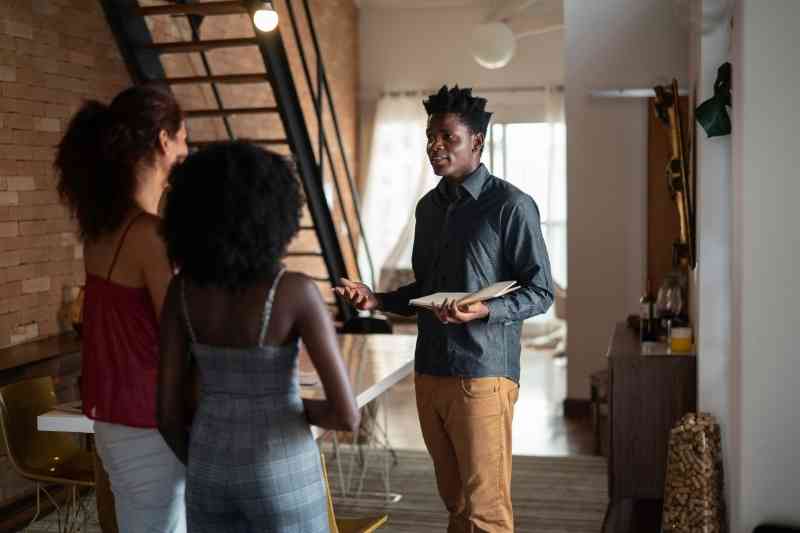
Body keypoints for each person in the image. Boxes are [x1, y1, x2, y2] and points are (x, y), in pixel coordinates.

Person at [336, 85, 554, 533]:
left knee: (486, 511)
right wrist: (376, 298)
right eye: (430, 136)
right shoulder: (428, 208)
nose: (435, 146)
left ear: (476, 142)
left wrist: (482, 312)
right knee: (455, 502)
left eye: (447, 137)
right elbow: (426, 289)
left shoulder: (511, 206)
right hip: (430, 370)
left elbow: (541, 291)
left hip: (483, 374)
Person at [157, 141, 360, 533]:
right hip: (280, 466)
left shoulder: (180, 290)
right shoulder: (294, 290)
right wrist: (287, 407)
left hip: (208, 464)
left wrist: (203, 460)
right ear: (273, 214)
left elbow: (166, 415)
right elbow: (347, 415)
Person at [55, 85, 189, 532]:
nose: (186, 150)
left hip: (116, 419)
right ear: (164, 140)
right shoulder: (149, 235)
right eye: (183, 138)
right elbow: (179, 330)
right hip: (150, 422)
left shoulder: (101, 231)